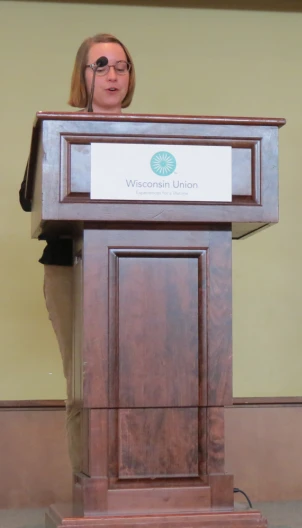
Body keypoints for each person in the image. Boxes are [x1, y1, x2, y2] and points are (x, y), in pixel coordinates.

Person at [18, 33, 136, 471]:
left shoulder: (151, 135)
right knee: (83, 382)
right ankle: (91, 486)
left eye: (121, 66)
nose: (112, 75)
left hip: (139, 268)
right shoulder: (58, 131)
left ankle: (137, 482)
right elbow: (29, 196)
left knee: (138, 378)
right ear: (82, 75)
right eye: (101, 65)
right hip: (72, 267)